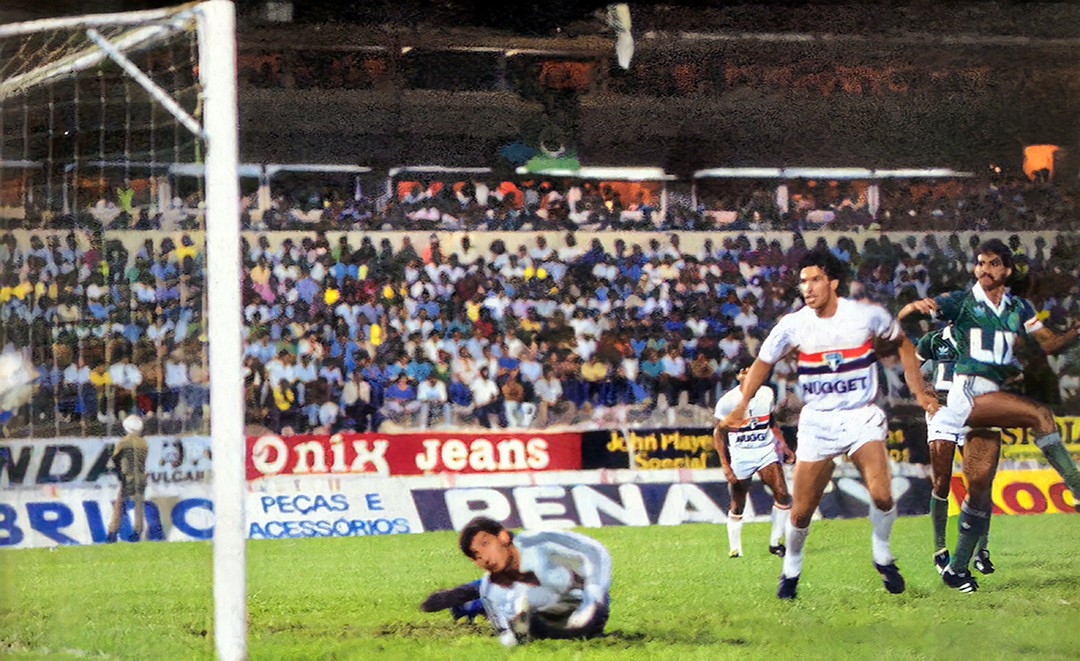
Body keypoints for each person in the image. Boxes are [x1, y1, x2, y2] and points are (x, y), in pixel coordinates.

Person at [722, 249, 938, 600]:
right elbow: (762, 363)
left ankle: (882, 555)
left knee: (882, 495)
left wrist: (920, 393)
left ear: (833, 283)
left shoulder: (865, 315)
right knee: (801, 513)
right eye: (803, 282)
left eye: (815, 280)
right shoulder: (794, 324)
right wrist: (742, 403)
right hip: (818, 421)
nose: (807, 288)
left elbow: (902, 343)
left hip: (860, 415)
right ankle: (791, 568)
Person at [898, 239, 1080, 592]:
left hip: (989, 400)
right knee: (1040, 415)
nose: (984, 269)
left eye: (993, 263)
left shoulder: (1018, 307)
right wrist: (911, 309)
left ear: (1007, 270)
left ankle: (957, 570)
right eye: (980, 263)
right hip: (965, 395)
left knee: (980, 490)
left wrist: (1075, 331)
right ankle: (1077, 486)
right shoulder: (962, 301)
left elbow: (1048, 343)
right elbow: (910, 318)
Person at [423, 517, 612, 647]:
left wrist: (591, 600)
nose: (483, 557)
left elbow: (594, 553)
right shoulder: (497, 585)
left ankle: (465, 601)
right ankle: (465, 603)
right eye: (476, 555)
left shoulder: (540, 546)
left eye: (485, 544)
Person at [911, 326, 998, 577]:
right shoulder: (933, 340)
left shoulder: (983, 337)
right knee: (942, 481)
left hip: (972, 413)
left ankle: (981, 550)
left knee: (980, 482)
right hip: (942, 413)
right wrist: (923, 394)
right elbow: (911, 369)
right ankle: (940, 549)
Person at [713, 362, 794, 559]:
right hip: (741, 455)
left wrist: (782, 444)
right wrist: (725, 465)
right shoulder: (728, 402)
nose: (749, 375)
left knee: (783, 496)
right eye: (744, 372)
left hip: (765, 451)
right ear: (738, 376)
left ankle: (775, 543)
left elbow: (771, 421)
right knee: (738, 504)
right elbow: (718, 433)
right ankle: (735, 550)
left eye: (753, 371)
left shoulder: (767, 393)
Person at [107, 414, 149, 543]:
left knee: (119, 504)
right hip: (140, 476)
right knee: (139, 505)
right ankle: (138, 532)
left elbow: (114, 458)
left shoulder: (123, 442)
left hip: (127, 477)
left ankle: (113, 531)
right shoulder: (143, 442)